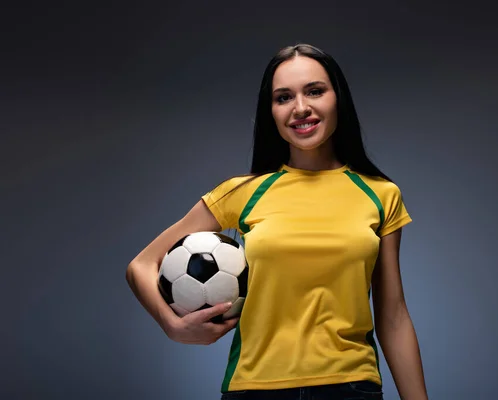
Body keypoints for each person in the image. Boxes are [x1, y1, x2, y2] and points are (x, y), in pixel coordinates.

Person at [126, 43, 428, 400]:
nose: (300, 108)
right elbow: (142, 265)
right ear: (270, 111)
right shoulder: (242, 192)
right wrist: (173, 326)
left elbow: (392, 317)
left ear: (338, 99)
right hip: (253, 389)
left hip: (351, 388)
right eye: (284, 97)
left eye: (315, 91)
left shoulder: (381, 195)